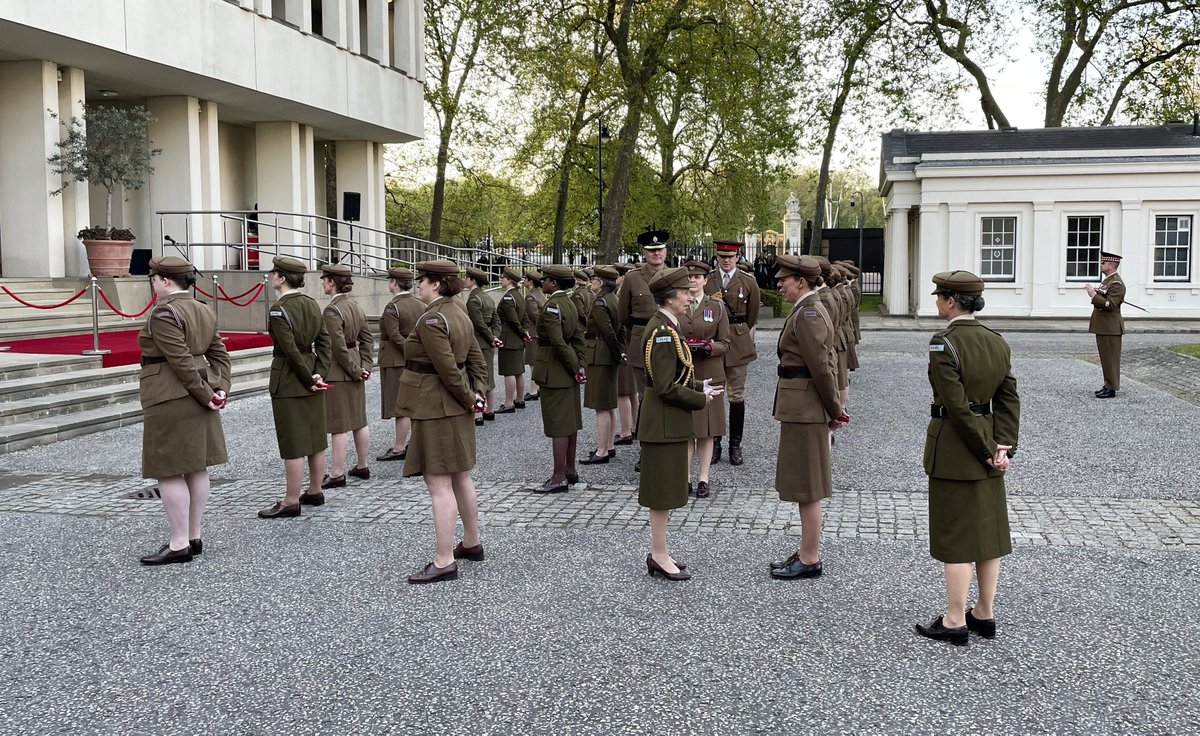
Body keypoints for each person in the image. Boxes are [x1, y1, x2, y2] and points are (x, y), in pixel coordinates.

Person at [915, 270, 1020, 646]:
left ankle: (955, 618)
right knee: (988, 534)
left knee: (957, 534)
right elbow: (1008, 398)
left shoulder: (944, 343)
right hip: (990, 444)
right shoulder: (996, 341)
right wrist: (1002, 445)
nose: (937, 302)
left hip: (957, 450)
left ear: (951, 301)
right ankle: (984, 612)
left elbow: (957, 409)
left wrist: (985, 449)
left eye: (939, 296)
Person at [395, 259, 489, 584]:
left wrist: (468, 396)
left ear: (435, 283)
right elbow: (475, 356)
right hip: (453, 403)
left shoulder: (434, 317)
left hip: (438, 405)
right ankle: (472, 542)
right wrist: (477, 391)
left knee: (438, 485)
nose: (417, 285)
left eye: (421, 280)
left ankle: (444, 559)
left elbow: (447, 368)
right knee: (461, 476)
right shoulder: (457, 309)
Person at [137, 256, 231, 565]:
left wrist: (208, 395)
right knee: (196, 466)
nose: (153, 284)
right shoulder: (203, 309)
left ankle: (179, 542)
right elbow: (220, 355)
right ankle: (193, 535)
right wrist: (219, 389)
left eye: (154, 279)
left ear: (165, 281)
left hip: (169, 395)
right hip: (198, 393)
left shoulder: (165, 312)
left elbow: (179, 362)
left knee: (169, 468)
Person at [639, 267, 723, 580]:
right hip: (663, 422)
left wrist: (699, 386)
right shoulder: (662, 330)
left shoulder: (666, 325)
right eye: (685, 292)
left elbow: (673, 375)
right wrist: (698, 399)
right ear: (671, 297)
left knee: (668, 490)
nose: (690, 297)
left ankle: (660, 551)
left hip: (667, 420)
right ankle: (658, 555)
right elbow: (663, 386)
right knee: (662, 493)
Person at [768, 255, 846, 580]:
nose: (779, 284)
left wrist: (834, 411)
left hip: (807, 408)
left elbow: (822, 369)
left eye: (784, 279)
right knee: (803, 483)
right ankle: (805, 551)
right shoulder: (805, 310)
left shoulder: (810, 312)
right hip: (802, 408)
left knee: (809, 486)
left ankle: (810, 557)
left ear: (801, 281)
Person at [259, 256, 333, 518]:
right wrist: (318, 374)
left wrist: (306, 378)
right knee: (315, 437)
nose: (271, 278)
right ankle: (314, 489)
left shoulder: (279, 308)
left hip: (290, 379)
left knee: (292, 441)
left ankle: (290, 500)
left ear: (281, 278)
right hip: (311, 372)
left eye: (274, 274)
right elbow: (325, 343)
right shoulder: (312, 305)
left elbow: (289, 350)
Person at [704, 240, 760, 466]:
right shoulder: (708, 280)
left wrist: (738, 331)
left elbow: (752, 315)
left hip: (737, 344)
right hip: (714, 342)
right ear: (717, 257)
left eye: (730, 257)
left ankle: (735, 445)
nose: (726, 260)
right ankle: (714, 443)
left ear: (738, 257)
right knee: (714, 393)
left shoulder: (748, 282)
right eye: (722, 256)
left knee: (736, 396)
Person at [532, 264, 586, 492]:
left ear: (553, 283)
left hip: (555, 369)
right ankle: (570, 470)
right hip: (567, 368)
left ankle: (558, 476)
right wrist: (580, 364)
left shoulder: (553, 305)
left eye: (545, 279)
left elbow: (557, 341)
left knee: (558, 425)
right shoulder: (570, 303)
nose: (542, 282)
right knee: (569, 423)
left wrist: (575, 366)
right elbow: (578, 338)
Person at [319, 263, 374, 488]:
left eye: (324, 279)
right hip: (356, 367)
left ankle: (336, 473)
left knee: (339, 424)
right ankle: (362, 465)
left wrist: (353, 369)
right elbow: (368, 339)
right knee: (359, 420)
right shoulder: (355, 306)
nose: (322, 282)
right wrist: (366, 366)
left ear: (332, 282)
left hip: (340, 371)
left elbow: (338, 347)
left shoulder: (332, 310)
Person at [680, 260, 730, 498]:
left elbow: (726, 343)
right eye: (689, 277)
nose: (692, 281)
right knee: (688, 428)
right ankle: (685, 477)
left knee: (707, 430)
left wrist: (710, 347)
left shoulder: (716, 306)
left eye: (697, 277)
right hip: (684, 371)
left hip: (710, 370)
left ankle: (703, 478)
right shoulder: (678, 304)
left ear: (705, 280)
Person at [377, 267, 423, 461]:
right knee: (413, 402)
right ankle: (416, 443)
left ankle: (398, 447)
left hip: (396, 359)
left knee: (400, 404)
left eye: (390, 280)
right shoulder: (420, 304)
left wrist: (409, 350)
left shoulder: (392, 306)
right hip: (415, 357)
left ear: (394, 282)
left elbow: (394, 335)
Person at [580, 265, 623, 465]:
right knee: (608, 404)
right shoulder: (613, 299)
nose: (591, 283)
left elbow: (608, 332)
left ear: (600, 283)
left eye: (594, 280)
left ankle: (603, 449)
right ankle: (609, 446)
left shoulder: (600, 303)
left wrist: (615, 353)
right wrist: (619, 354)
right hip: (608, 355)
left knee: (601, 406)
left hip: (600, 355)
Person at [465, 266, 503, 425]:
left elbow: (478, 323)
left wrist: (490, 337)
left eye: (467, 277)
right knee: (489, 375)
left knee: (477, 377)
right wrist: (495, 336)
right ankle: (490, 410)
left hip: (479, 341)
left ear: (472, 280)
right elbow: (496, 320)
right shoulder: (486, 297)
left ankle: (478, 414)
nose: (465, 280)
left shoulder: (474, 299)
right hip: (488, 341)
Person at [1087, 251, 1125, 399]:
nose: (1100, 265)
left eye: (1103, 263)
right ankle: (1107, 384)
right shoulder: (1108, 281)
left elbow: (1110, 305)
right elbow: (1105, 297)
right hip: (1104, 326)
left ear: (1111, 265)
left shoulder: (1116, 283)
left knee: (1111, 359)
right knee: (1106, 358)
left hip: (1111, 328)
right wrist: (1097, 293)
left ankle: (1111, 388)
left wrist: (1093, 295)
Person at [495, 266, 531, 413]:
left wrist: (522, 332)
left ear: (509, 280)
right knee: (518, 371)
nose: (501, 279)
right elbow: (525, 318)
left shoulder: (509, 297)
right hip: (517, 338)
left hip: (509, 337)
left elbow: (513, 320)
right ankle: (520, 399)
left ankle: (509, 402)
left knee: (509, 371)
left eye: (503, 277)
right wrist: (525, 332)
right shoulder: (519, 295)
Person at [614, 262, 639, 445]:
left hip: (626, 344)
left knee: (623, 390)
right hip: (631, 344)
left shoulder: (622, 293)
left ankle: (625, 431)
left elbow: (622, 320)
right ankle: (635, 427)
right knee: (632, 391)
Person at [523, 269, 545, 402]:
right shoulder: (540, 294)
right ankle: (537, 387)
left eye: (526, 278)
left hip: (533, 332)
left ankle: (533, 390)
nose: (524, 281)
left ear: (530, 281)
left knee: (533, 362)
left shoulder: (530, 296)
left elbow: (534, 315)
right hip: (539, 332)